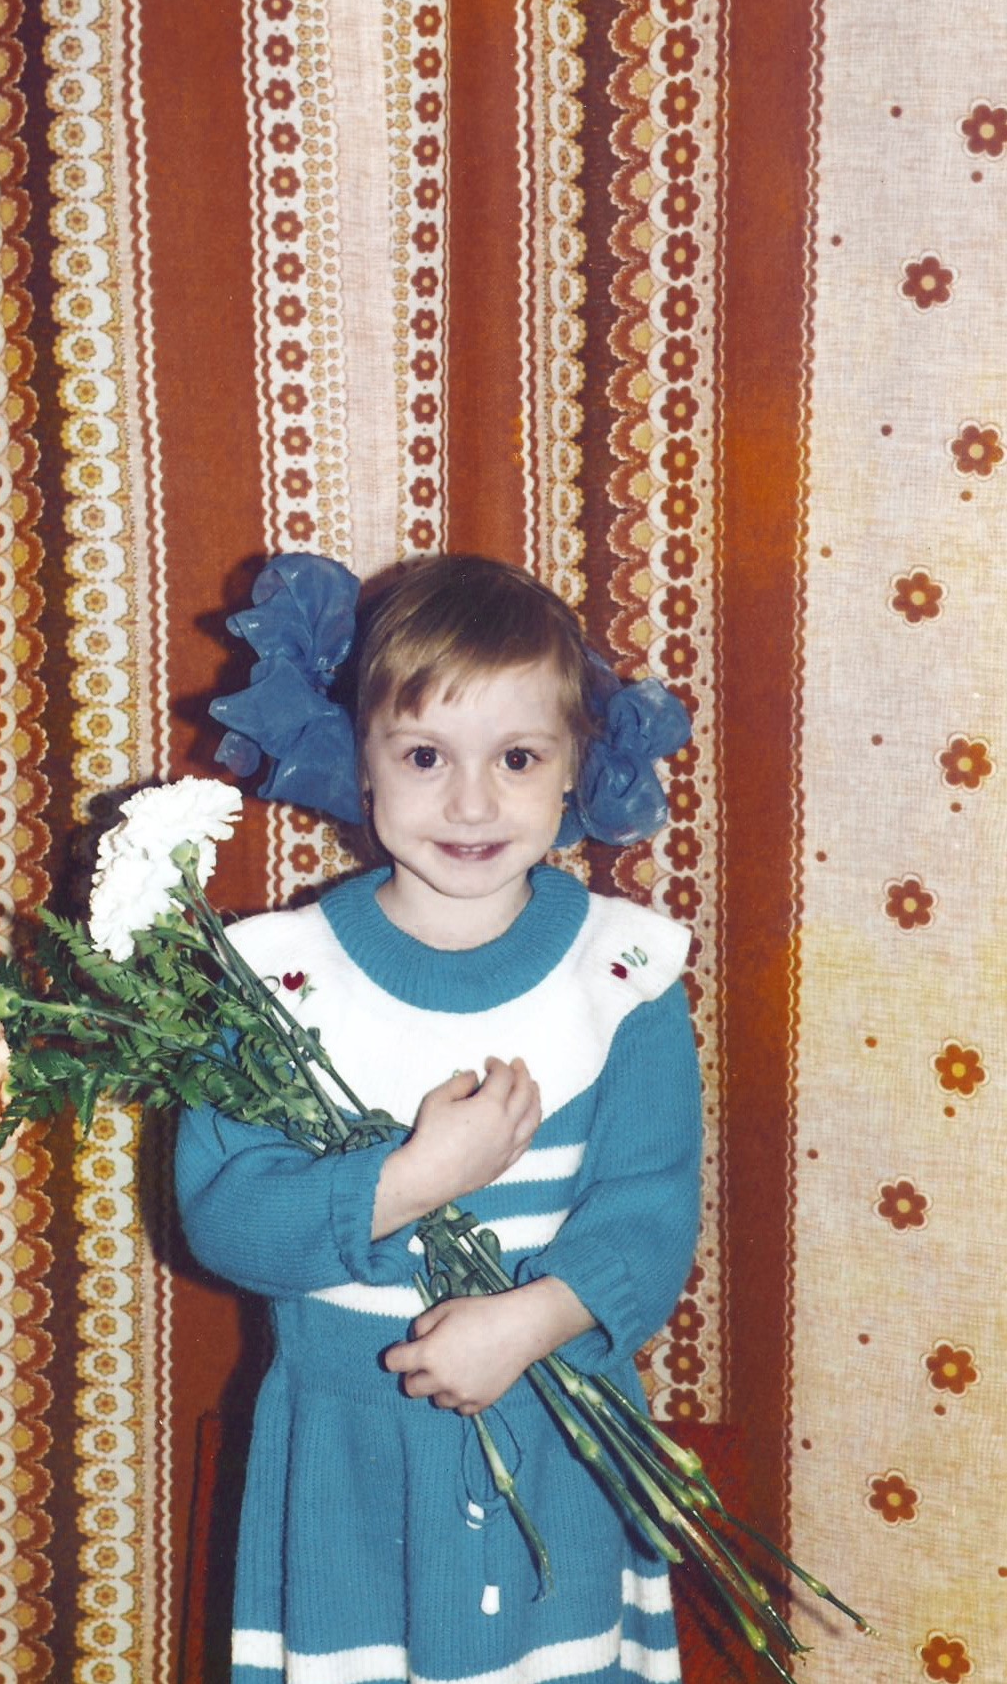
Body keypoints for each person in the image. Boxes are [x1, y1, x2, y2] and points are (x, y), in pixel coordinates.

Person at [176, 554, 702, 1684]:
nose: (472, 802)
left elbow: (648, 1214)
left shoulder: (621, 973)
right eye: (424, 755)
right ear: (356, 759)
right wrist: (413, 1179)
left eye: (517, 757)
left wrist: (529, 1321)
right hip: (345, 1477)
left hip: (557, 1448)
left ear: (576, 766)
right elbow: (224, 1213)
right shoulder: (280, 977)